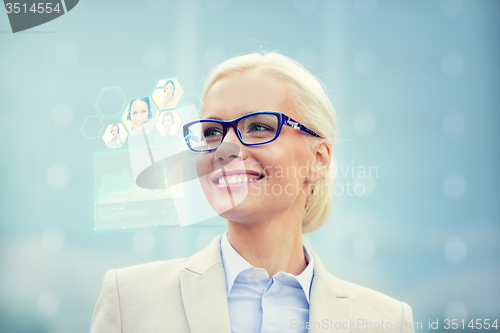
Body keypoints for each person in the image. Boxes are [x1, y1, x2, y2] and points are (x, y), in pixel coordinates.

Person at [91, 53, 414, 333]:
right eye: (212, 132)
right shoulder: (129, 299)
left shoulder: (385, 321)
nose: (226, 149)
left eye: (258, 126)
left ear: (318, 159)